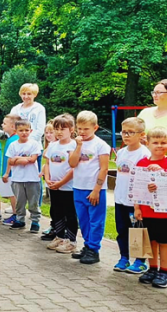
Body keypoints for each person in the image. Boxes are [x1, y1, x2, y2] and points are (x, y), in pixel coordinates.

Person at [68, 111, 111, 265]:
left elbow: (104, 168)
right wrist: (79, 146)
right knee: (84, 219)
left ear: (95, 127)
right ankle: (87, 245)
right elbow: (72, 163)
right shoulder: (76, 143)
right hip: (78, 187)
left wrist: (96, 190)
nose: (82, 132)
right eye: (79, 128)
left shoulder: (101, 145)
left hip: (94, 189)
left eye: (86, 129)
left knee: (96, 220)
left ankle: (94, 248)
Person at [112, 117, 150, 273]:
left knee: (138, 231)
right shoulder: (121, 152)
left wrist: (138, 203)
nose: (126, 135)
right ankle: (124, 257)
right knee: (122, 229)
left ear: (141, 135)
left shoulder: (144, 154)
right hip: (120, 198)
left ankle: (140, 260)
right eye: (124, 132)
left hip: (135, 202)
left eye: (131, 132)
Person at [134, 127, 167, 288]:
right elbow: (136, 188)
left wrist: (162, 174)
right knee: (151, 241)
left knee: (164, 243)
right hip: (147, 211)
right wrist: (137, 208)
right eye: (156, 142)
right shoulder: (142, 163)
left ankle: (164, 271)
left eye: (164, 143)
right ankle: (152, 268)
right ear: (147, 143)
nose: (160, 146)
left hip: (164, 213)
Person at [43, 114, 78, 254]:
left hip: (68, 187)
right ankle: (59, 236)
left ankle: (71, 240)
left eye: (63, 129)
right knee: (56, 211)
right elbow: (47, 163)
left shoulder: (74, 145)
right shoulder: (52, 145)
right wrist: (47, 178)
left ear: (71, 130)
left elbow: (74, 168)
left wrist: (61, 182)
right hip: (54, 186)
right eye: (56, 128)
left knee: (69, 213)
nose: (59, 132)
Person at [3, 120, 43, 232]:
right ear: (16, 131)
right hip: (18, 179)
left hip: (32, 178)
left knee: (33, 202)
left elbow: (32, 159)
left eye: (26, 130)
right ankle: (20, 220)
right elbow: (10, 161)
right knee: (19, 201)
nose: (24, 133)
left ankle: (35, 221)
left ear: (31, 131)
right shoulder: (13, 145)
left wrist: (17, 159)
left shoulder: (34, 144)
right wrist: (7, 172)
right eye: (21, 130)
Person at [0, 114, 22, 225]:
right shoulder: (11, 139)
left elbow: (11, 158)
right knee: (11, 193)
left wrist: (7, 172)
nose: (2, 125)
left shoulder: (15, 140)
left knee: (13, 194)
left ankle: (16, 215)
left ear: (13, 126)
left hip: (13, 173)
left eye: (4, 123)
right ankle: (15, 214)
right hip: (10, 172)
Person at [40, 120, 58, 241]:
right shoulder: (49, 146)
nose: (48, 135)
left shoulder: (57, 146)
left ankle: (58, 228)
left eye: (51, 132)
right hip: (50, 179)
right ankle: (54, 225)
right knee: (54, 205)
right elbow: (47, 163)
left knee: (58, 206)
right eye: (46, 132)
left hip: (57, 180)